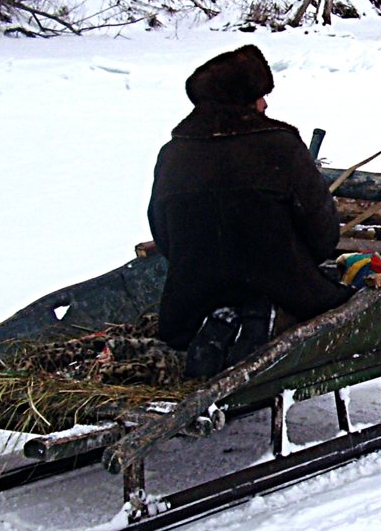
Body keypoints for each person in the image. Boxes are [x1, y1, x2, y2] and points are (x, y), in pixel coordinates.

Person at [148, 45, 353, 377]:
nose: (266, 104)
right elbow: (323, 235)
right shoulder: (281, 145)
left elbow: (163, 234)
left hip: (187, 307)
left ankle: (218, 326)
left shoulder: (172, 153)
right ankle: (254, 324)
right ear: (241, 100)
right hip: (289, 294)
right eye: (260, 95)